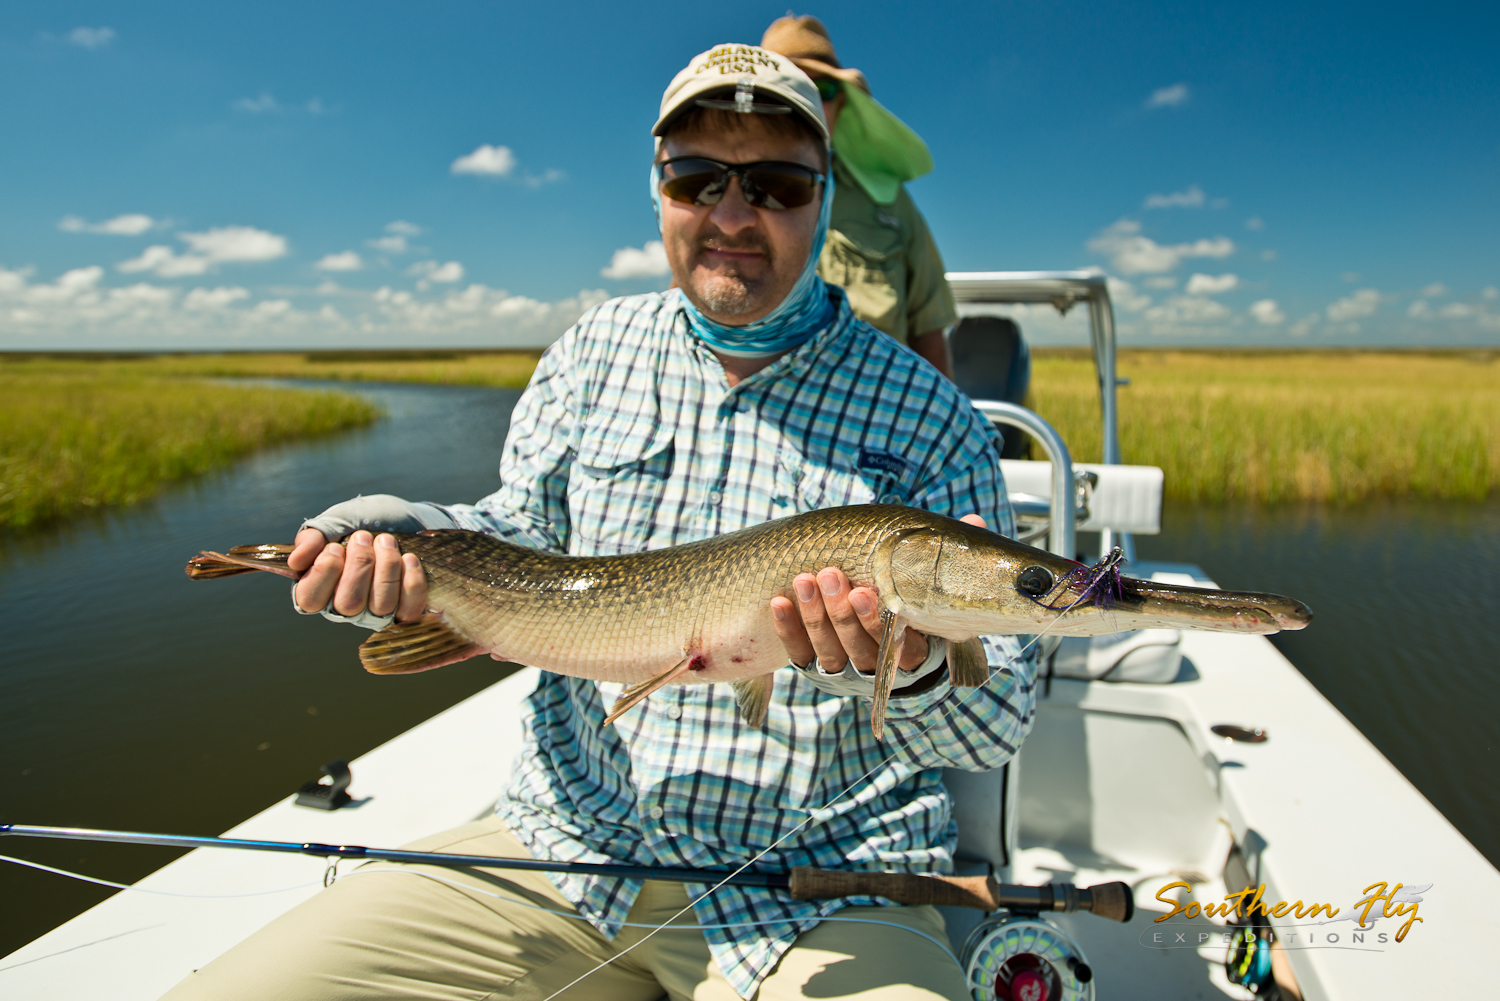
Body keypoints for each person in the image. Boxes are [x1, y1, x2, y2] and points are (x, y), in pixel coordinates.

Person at [164, 44, 1033, 1001]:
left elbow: (998, 717)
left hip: (821, 885)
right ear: (660, 190)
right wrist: (398, 535)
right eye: (697, 177)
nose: (733, 214)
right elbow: (515, 539)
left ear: (823, 195)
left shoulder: (933, 413)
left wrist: (905, 667)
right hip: (565, 851)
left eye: (777, 183)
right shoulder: (591, 351)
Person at [761, 15, 959, 380]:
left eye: (825, 90)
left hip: (876, 419)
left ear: (843, 106)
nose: (810, 103)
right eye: (791, 85)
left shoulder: (891, 201)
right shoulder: (723, 193)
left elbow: (928, 329)